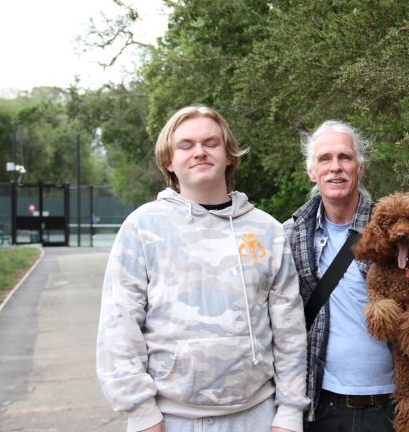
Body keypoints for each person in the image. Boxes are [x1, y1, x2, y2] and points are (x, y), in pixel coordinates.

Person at [97, 106, 309, 432]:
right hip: (168, 419)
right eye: (186, 145)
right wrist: (140, 413)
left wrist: (291, 413)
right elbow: (118, 325)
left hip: (256, 416)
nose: (199, 152)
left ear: (229, 156)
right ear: (169, 161)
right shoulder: (142, 227)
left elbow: (289, 329)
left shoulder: (266, 231)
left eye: (211, 143)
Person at [283, 120, 409, 432]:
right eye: (325, 158)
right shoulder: (291, 235)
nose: (336, 167)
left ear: (360, 168)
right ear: (311, 171)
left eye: (345, 157)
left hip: (394, 404)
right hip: (322, 407)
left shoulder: (394, 225)